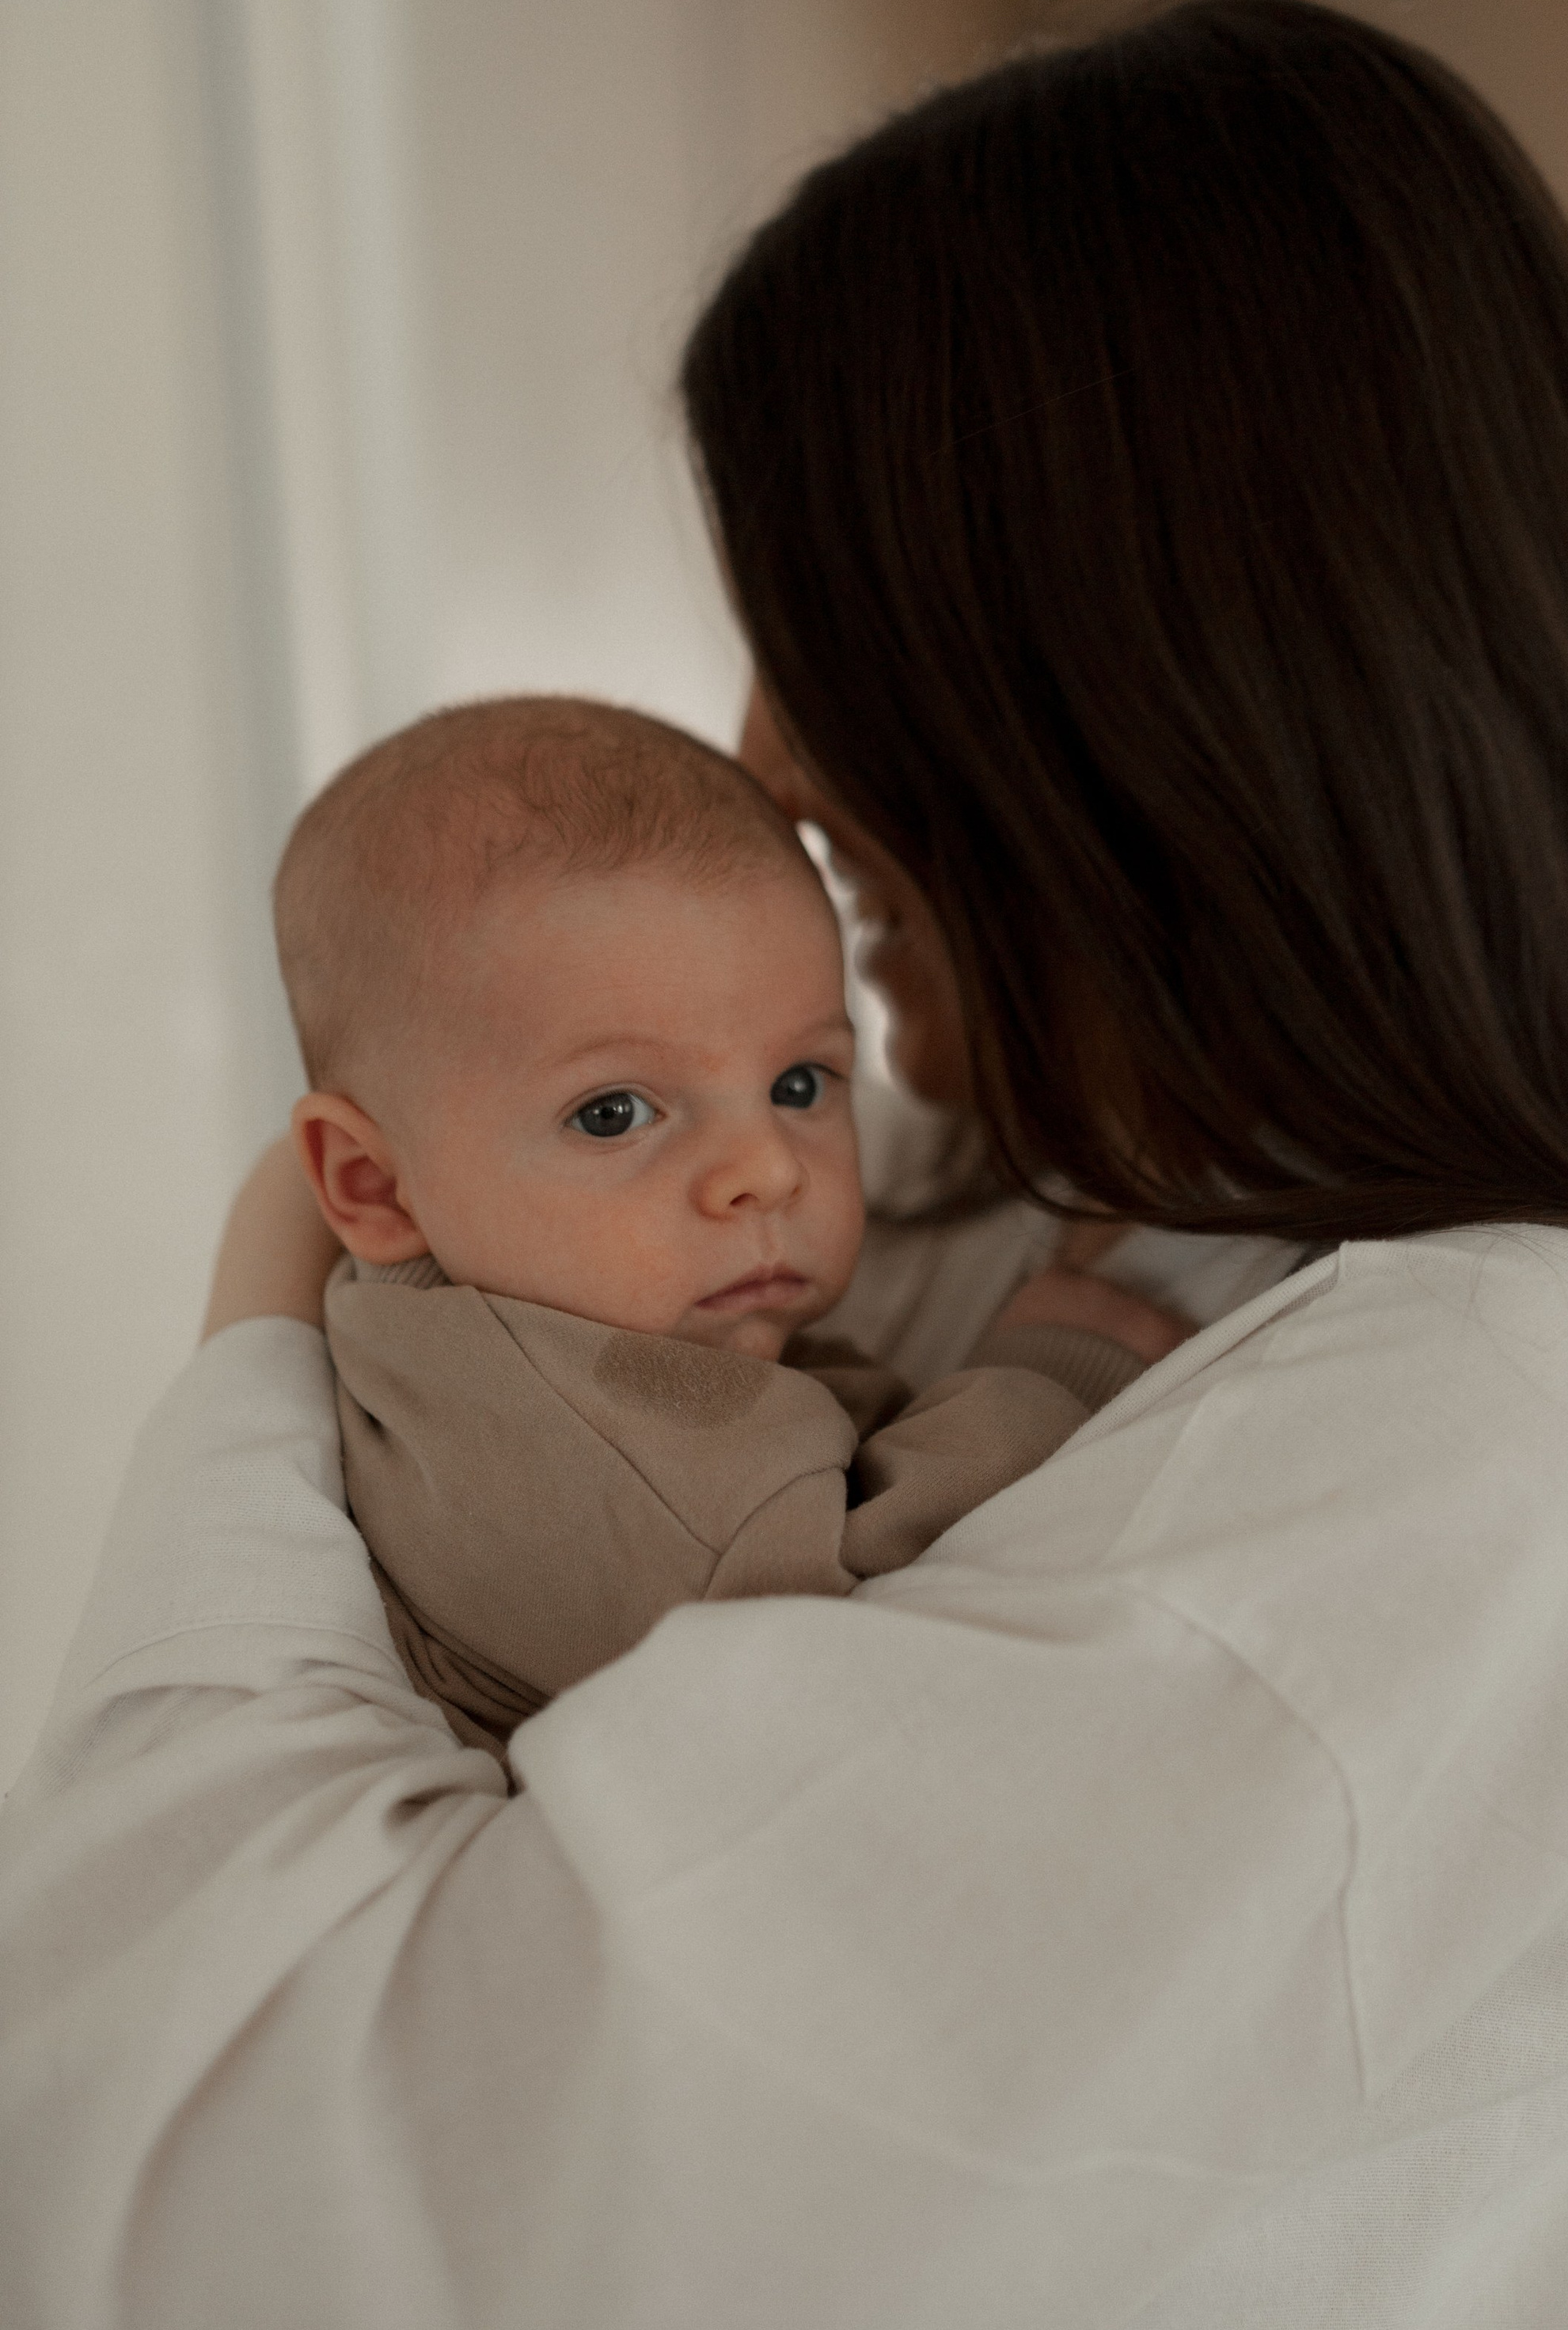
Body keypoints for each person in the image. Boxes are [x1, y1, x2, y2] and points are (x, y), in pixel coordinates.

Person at [0, 0, 1568, 2330]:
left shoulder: (1495, 1424)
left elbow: (246, 2264)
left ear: (1118, 667)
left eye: (812, 619)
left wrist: (267, 1343)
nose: (759, 747)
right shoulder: (1044, 1208)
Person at [271, 692, 1167, 1759]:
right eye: (614, 1113)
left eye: (800, 1084)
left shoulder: (452, 1324)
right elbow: (864, 1600)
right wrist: (1053, 1372)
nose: (766, 1169)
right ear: (372, 1187)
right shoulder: (607, 1438)